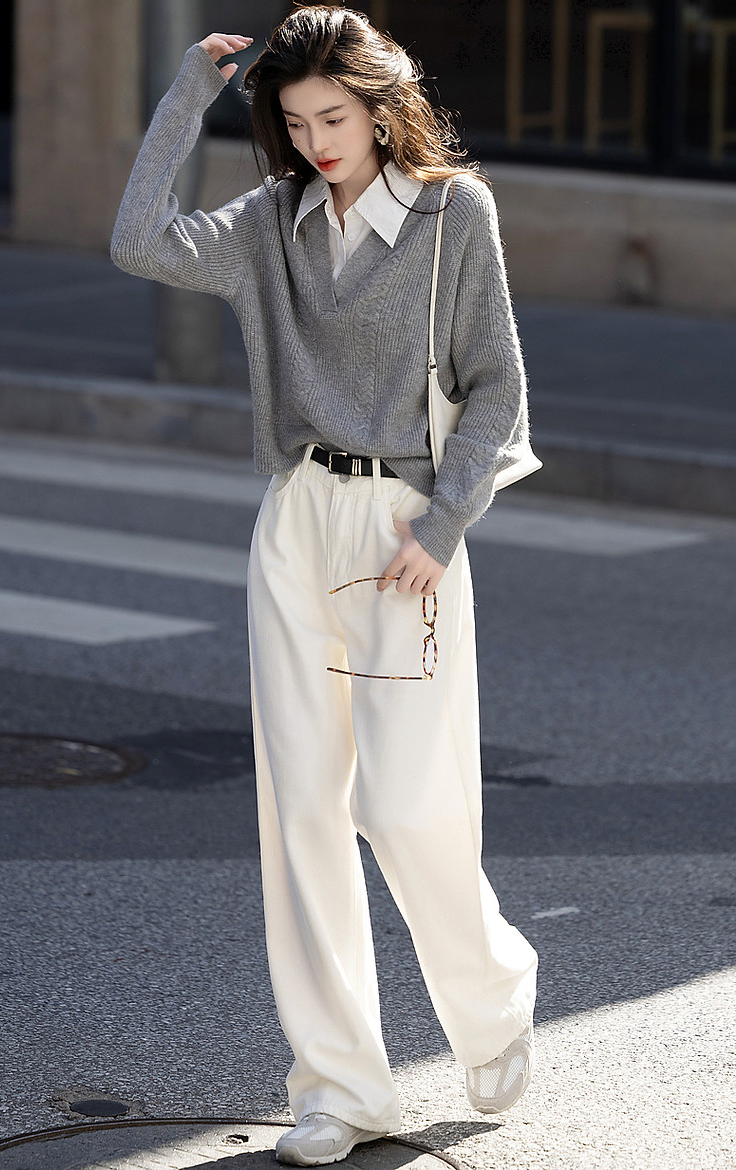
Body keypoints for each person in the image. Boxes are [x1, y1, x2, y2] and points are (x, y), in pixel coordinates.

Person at [110, 5, 540, 1165]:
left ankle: (493, 993)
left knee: (404, 806)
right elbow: (139, 244)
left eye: (334, 119)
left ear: (381, 107)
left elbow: (497, 387)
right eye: (296, 124)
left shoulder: (453, 215)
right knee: (300, 811)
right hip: (299, 518)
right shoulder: (272, 221)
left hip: (404, 527)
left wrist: (445, 524)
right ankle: (341, 1089)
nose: (316, 143)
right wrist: (183, 104)